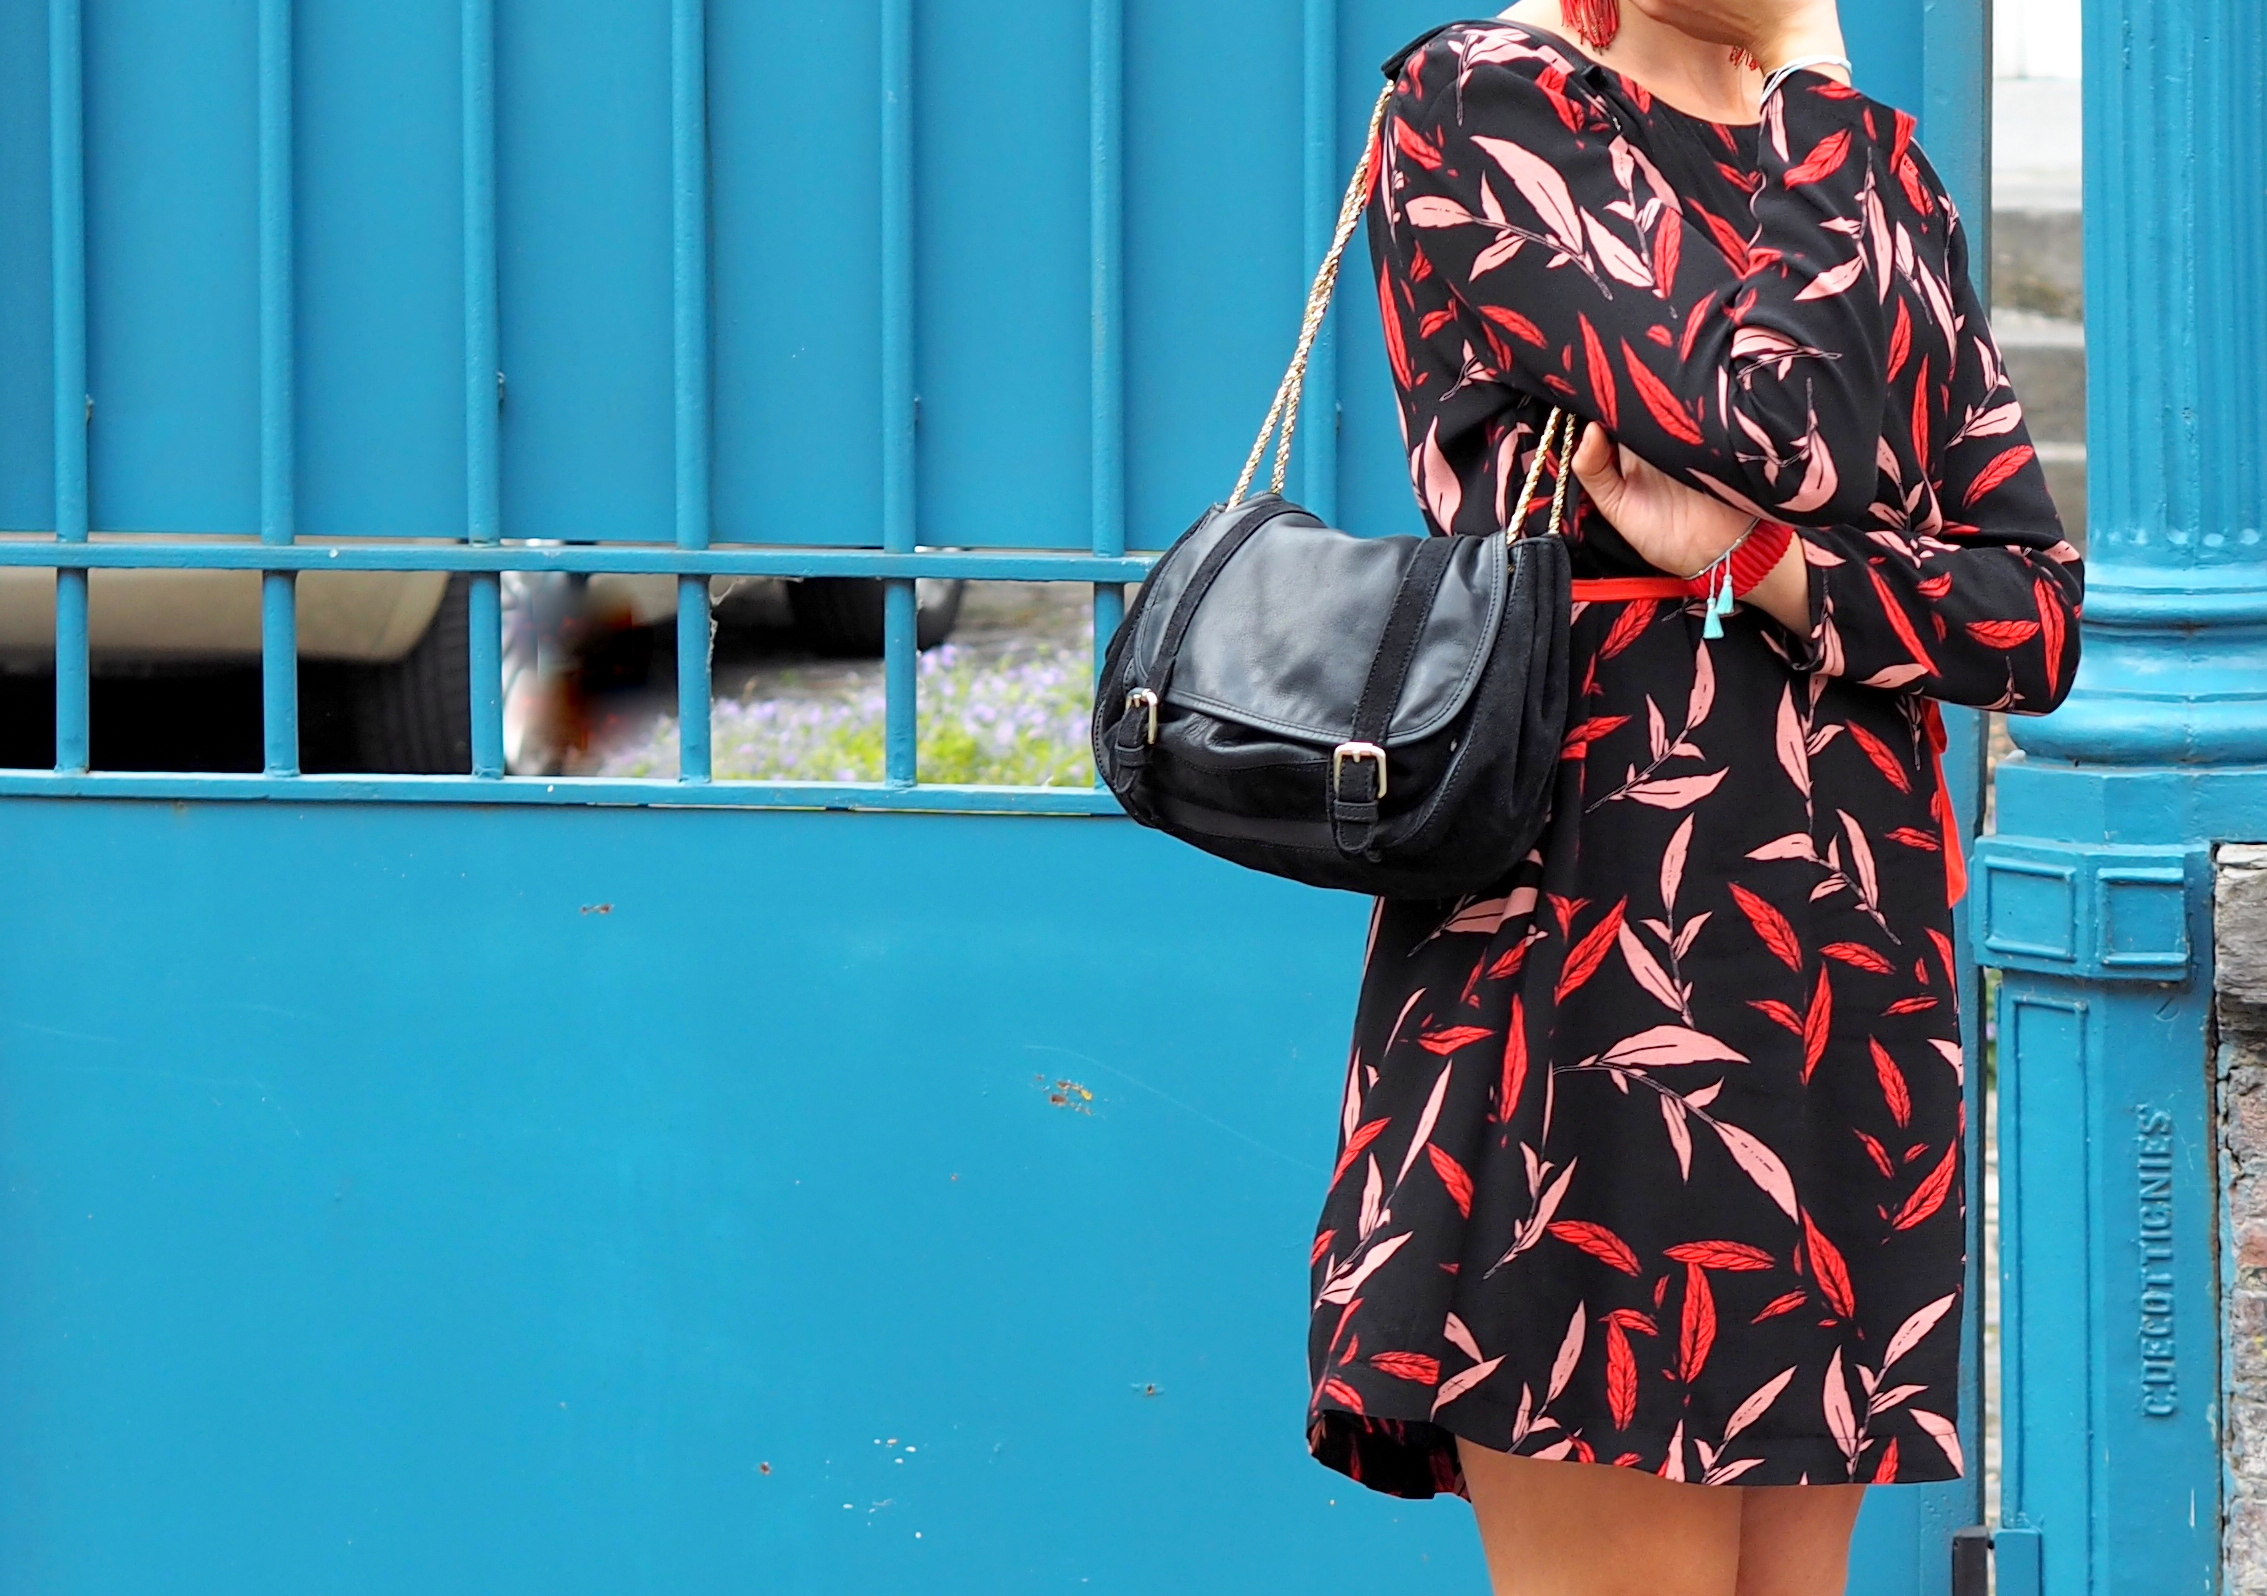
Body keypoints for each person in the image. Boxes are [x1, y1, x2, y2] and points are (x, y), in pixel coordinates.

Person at [1305, 3, 2083, 1592]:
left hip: (1844, 965)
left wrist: (1764, 565)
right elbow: (1779, 424)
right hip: (1598, 948)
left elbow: (2029, 616)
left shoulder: (1863, 163)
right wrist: (1810, 75)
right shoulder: (1490, 104)